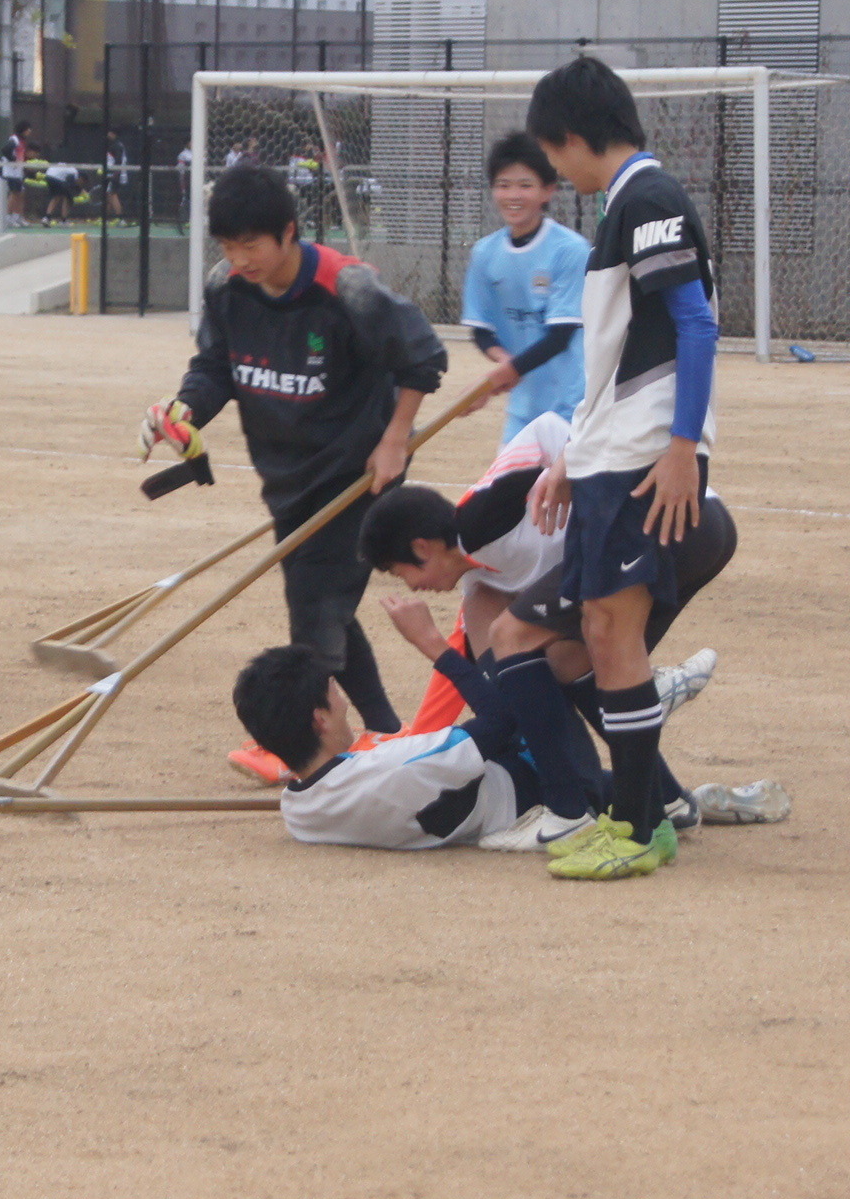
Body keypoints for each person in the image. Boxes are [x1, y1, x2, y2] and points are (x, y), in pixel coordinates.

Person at [138, 163, 447, 783]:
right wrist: (184, 409)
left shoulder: (347, 288)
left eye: (251, 245)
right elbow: (215, 367)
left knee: (313, 612)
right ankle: (386, 730)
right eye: (227, 246)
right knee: (327, 606)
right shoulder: (227, 288)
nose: (239, 259)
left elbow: (424, 359)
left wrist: (394, 439)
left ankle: (305, 750)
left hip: (357, 475)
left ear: (288, 233)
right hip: (287, 477)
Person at [360, 415, 781, 856]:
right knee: (564, 662)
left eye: (398, 571)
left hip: (669, 523)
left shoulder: (485, 515)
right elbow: (506, 701)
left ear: (423, 547)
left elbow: (544, 427)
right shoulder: (481, 585)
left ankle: (567, 813)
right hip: (686, 533)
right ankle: (663, 796)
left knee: (514, 636)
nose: (408, 586)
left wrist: (563, 464)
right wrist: (430, 708)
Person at [519, 56, 720, 881]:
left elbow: (697, 327)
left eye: (550, 153)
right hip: (613, 452)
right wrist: (574, 455)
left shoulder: (649, 201)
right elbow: (617, 356)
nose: (550, 171)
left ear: (571, 138)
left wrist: (681, 448)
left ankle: (638, 830)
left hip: (647, 456)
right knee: (602, 633)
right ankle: (639, 820)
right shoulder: (623, 207)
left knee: (614, 630)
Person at [233, 597, 553, 850]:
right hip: (530, 787)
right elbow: (501, 720)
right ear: (320, 720)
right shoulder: (395, 765)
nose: (345, 703)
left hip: (475, 799)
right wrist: (433, 645)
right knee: (487, 609)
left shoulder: (298, 812)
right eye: (336, 693)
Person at [459, 132, 592, 439]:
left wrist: (500, 377)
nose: (513, 196)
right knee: (508, 486)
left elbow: (560, 335)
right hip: (523, 410)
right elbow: (481, 330)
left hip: (571, 406)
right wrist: (503, 361)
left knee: (558, 487)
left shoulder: (570, 250)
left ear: (547, 191)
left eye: (525, 185)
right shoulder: (484, 254)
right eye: (503, 186)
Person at [102, 129, 129, 219]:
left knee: (112, 194)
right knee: (109, 195)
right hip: (113, 174)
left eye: (109, 132)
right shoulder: (114, 145)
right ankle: (105, 219)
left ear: (114, 134)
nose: (108, 134)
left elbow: (118, 161)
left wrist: (115, 174)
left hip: (116, 174)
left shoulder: (117, 146)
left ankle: (120, 219)